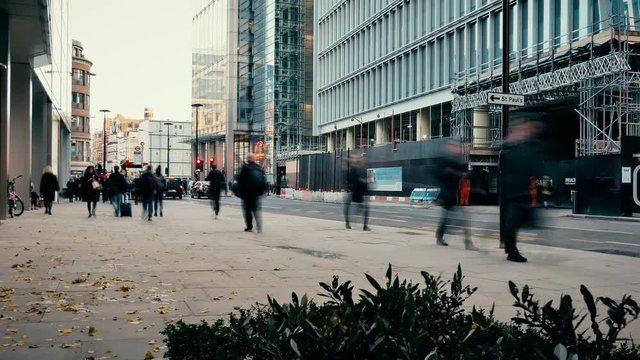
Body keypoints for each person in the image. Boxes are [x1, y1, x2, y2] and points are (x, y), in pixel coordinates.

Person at [500, 121, 544, 263]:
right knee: (513, 222)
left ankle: (510, 248)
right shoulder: (510, 150)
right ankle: (511, 251)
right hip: (514, 191)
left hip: (518, 190)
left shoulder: (518, 148)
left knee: (515, 221)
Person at [434, 139, 478, 250]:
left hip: (457, 193)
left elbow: (466, 173)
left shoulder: (458, 159)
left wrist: (467, 170)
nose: (456, 148)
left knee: (464, 218)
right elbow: (442, 174)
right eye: (453, 146)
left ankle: (468, 242)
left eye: (457, 146)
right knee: (446, 218)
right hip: (447, 194)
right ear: (448, 147)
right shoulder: (444, 160)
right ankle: (440, 235)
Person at [237, 153, 267, 232]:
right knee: (256, 209)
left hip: (247, 193)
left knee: (247, 210)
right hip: (256, 193)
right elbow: (264, 180)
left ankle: (249, 227)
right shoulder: (258, 168)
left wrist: (239, 190)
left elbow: (240, 181)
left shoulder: (245, 167)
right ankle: (259, 225)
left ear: (248, 159)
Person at [344, 155, 370, 231]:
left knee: (363, 207)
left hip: (359, 191)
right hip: (354, 191)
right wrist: (363, 181)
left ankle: (364, 225)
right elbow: (354, 180)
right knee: (361, 207)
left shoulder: (360, 169)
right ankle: (349, 222)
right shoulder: (352, 170)